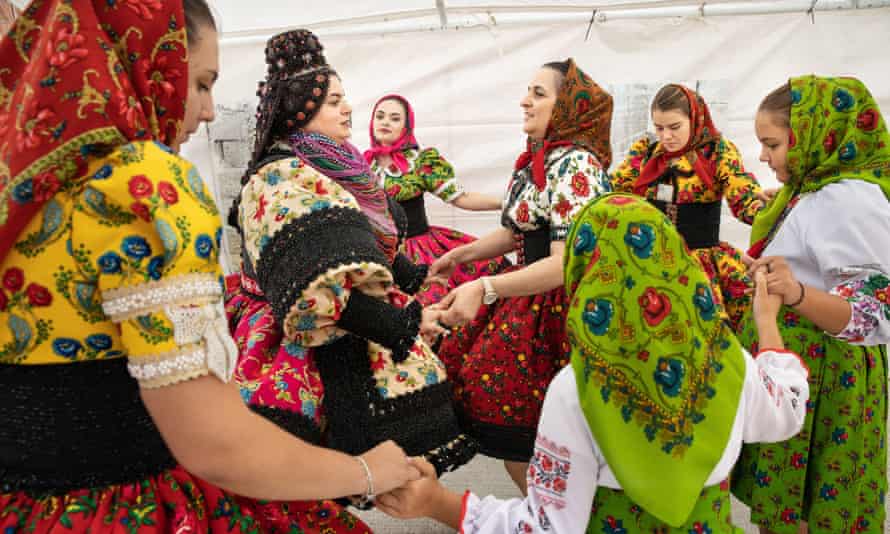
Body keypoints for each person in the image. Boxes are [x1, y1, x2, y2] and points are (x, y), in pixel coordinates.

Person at [0, 2, 422, 532]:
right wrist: (364, 471)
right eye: (199, 83)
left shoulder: (25, 187)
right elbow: (213, 442)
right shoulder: (144, 186)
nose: (206, 111)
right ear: (144, 69)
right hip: (122, 502)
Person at [374, 193, 810, 533]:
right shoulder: (725, 359)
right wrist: (766, 323)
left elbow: (547, 526)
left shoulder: (579, 388)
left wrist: (438, 502)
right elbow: (784, 414)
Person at [224, 29, 477, 485]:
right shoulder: (279, 176)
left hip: (354, 324)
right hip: (304, 338)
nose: (348, 109)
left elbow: (365, 240)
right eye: (334, 100)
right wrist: (401, 323)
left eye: (345, 98)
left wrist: (421, 278)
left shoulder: (342, 164)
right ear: (299, 109)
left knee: (379, 475)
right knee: (314, 473)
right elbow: (309, 289)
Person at [429, 58, 613, 491]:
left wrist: (488, 286)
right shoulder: (539, 159)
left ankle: (558, 513)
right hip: (530, 293)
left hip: (559, 309)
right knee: (518, 438)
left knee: (539, 434)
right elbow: (518, 232)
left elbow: (565, 263)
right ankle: (551, 513)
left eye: (538, 94)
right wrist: (463, 256)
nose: (524, 101)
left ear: (567, 106)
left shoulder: (576, 165)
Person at [732, 75, 890, 534]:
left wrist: (796, 293)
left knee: (807, 513)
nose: (762, 156)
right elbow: (809, 262)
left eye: (773, 144)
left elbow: (877, 312)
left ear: (816, 137)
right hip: (798, 365)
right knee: (783, 508)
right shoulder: (809, 188)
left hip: (826, 378)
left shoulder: (849, 199)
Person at [610, 84, 765, 331]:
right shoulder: (647, 154)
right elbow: (611, 191)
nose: (666, 136)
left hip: (699, 265)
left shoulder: (716, 151)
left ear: (694, 119)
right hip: (650, 264)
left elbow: (740, 187)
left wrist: (759, 209)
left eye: (674, 127)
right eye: (659, 128)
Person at [364, 94, 508, 304]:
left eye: (395, 118)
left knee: (430, 306)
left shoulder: (421, 162)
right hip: (376, 254)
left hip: (418, 251)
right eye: (380, 116)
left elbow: (462, 198)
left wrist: (505, 204)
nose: (385, 122)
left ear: (406, 126)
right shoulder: (359, 165)